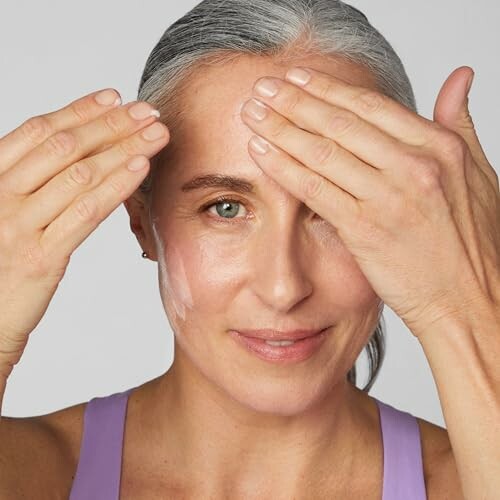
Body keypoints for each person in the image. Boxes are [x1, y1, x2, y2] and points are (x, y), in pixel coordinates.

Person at [2, 0, 499, 498]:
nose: (284, 288)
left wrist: (466, 307)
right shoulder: (33, 475)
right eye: (225, 208)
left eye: (335, 207)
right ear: (141, 222)